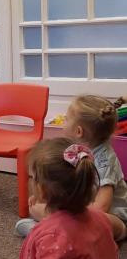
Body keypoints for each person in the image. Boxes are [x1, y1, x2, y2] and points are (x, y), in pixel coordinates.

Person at [15, 95, 127, 241]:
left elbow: (101, 208)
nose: (64, 119)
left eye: (66, 118)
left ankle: (51, 230)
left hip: (112, 217)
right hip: (83, 208)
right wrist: (44, 195)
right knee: (38, 208)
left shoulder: (105, 161)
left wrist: (61, 214)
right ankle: (60, 229)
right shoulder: (74, 149)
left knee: (93, 220)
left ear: (79, 131)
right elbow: (65, 183)